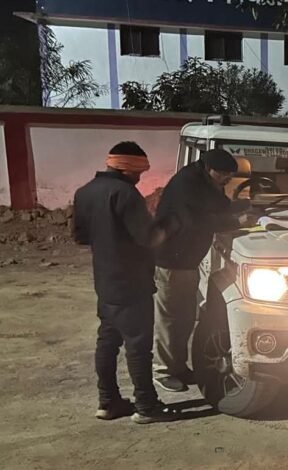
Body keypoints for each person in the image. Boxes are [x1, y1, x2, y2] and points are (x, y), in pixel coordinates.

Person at [73, 141, 179, 424]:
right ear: (127, 168)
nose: (140, 177)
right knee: (138, 346)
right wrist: (169, 225)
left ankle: (108, 402)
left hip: (105, 281)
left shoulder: (84, 192)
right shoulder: (126, 194)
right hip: (132, 282)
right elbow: (149, 238)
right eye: (139, 172)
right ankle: (146, 406)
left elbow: (81, 236)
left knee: (107, 342)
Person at [152, 148, 248, 392]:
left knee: (185, 317)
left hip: (188, 261)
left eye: (229, 176)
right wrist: (235, 221)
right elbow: (196, 221)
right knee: (170, 318)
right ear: (209, 168)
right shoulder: (187, 185)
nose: (226, 179)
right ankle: (163, 371)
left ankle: (178, 367)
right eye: (223, 174)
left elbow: (219, 205)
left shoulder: (207, 182)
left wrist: (241, 206)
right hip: (171, 261)